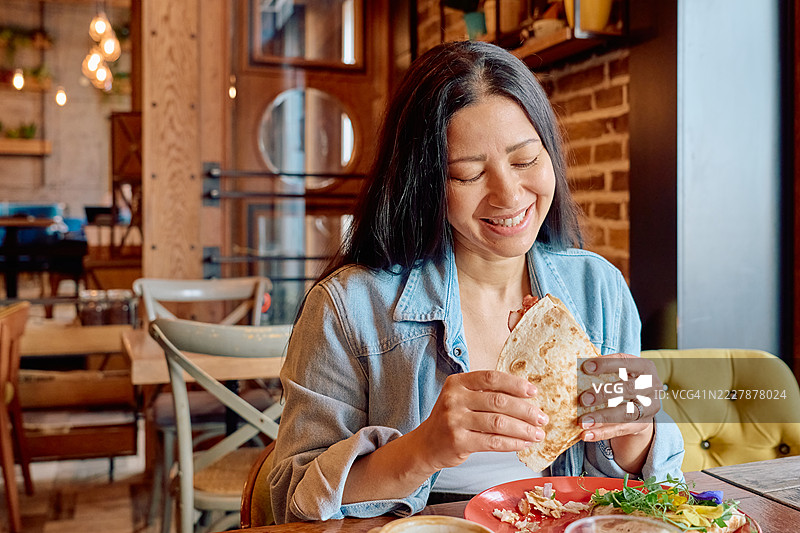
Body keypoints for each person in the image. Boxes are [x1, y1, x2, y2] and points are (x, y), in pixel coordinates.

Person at [267, 40, 684, 524]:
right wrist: (426, 447)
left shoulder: (598, 288)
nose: (509, 194)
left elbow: (644, 489)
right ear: (422, 184)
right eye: (467, 174)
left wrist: (634, 433)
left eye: (526, 160)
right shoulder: (348, 307)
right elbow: (291, 500)